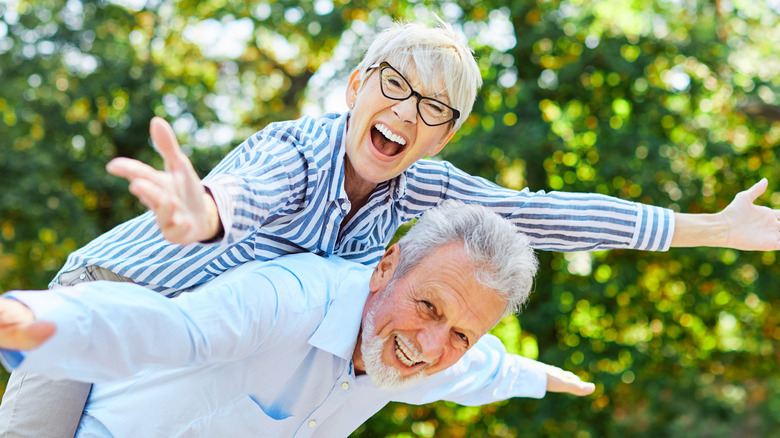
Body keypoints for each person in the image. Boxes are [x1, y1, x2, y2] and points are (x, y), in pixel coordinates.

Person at [2, 19, 779, 437]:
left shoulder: (423, 184)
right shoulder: (295, 150)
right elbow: (243, 192)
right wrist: (204, 214)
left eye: (434, 109)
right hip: (112, 291)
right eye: (395, 87)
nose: (407, 113)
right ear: (355, 88)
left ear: (443, 138)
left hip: (195, 333)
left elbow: (547, 212)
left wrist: (713, 227)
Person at [0, 202, 595, 437]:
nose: (430, 343)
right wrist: (33, 320)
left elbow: (485, 370)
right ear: (387, 267)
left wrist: (542, 377)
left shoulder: (437, 357)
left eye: (462, 333)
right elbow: (171, 329)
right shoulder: (288, 299)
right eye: (428, 306)